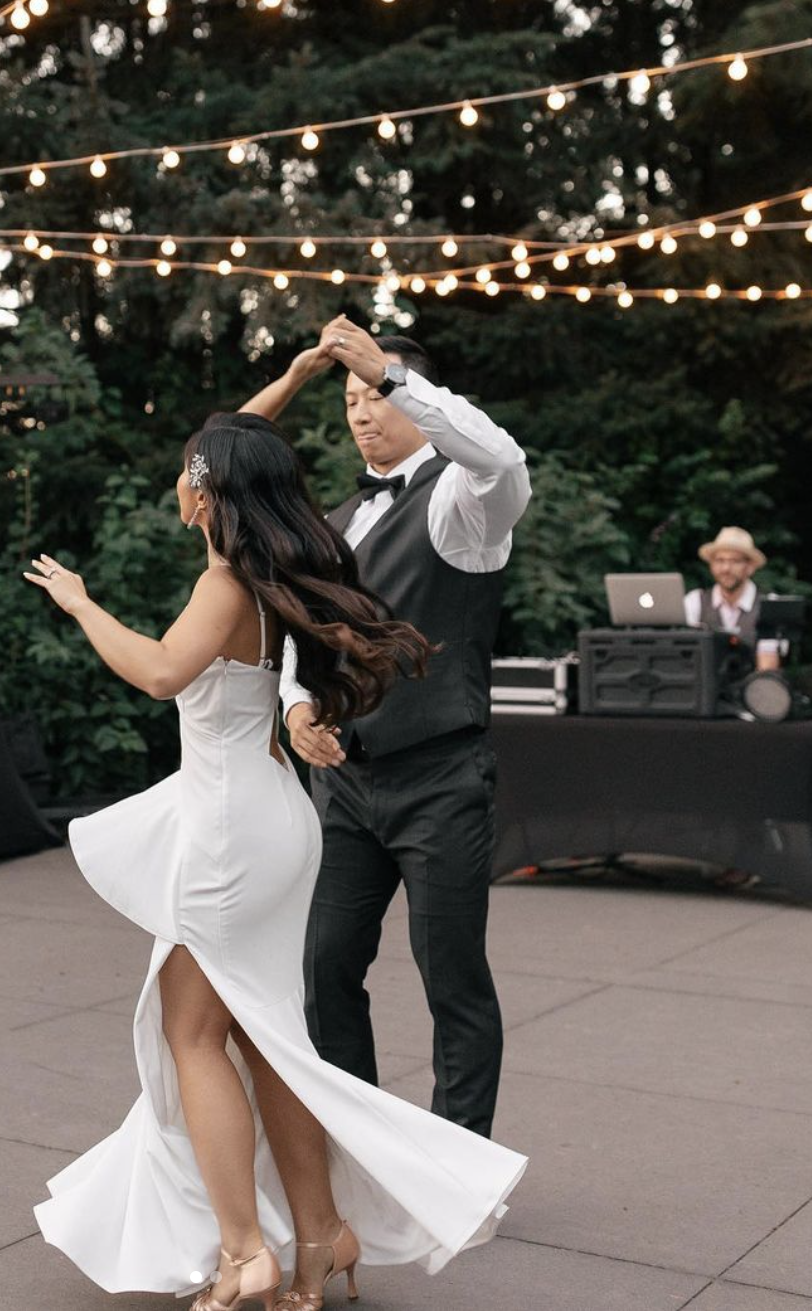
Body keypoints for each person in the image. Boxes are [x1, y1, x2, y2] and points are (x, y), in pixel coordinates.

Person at [29, 412, 526, 1310]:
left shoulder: (225, 584)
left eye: (185, 469)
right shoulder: (265, 580)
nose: (175, 482)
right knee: (266, 1040)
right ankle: (323, 1236)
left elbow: (159, 673)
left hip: (228, 829)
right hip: (268, 816)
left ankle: (242, 1251)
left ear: (205, 491)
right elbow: (240, 438)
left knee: (191, 1034)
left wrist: (80, 604)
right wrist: (285, 386)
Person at [243, 317, 530, 1142]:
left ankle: (456, 1167)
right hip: (344, 783)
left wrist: (395, 372)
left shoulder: (463, 503)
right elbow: (305, 637)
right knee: (324, 966)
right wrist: (296, 706)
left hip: (439, 779)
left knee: (452, 980)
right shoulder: (335, 521)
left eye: (375, 393)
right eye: (350, 400)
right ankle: (357, 1147)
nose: (363, 412)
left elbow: (504, 461)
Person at [685, 526, 778, 665]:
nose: (726, 568)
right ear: (711, 565)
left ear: (750, 567)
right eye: (720, 560)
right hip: (702, 677)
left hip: (753, 677)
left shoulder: (769, 605)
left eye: (735, 561)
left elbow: (768, 665)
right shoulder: (695, 600)